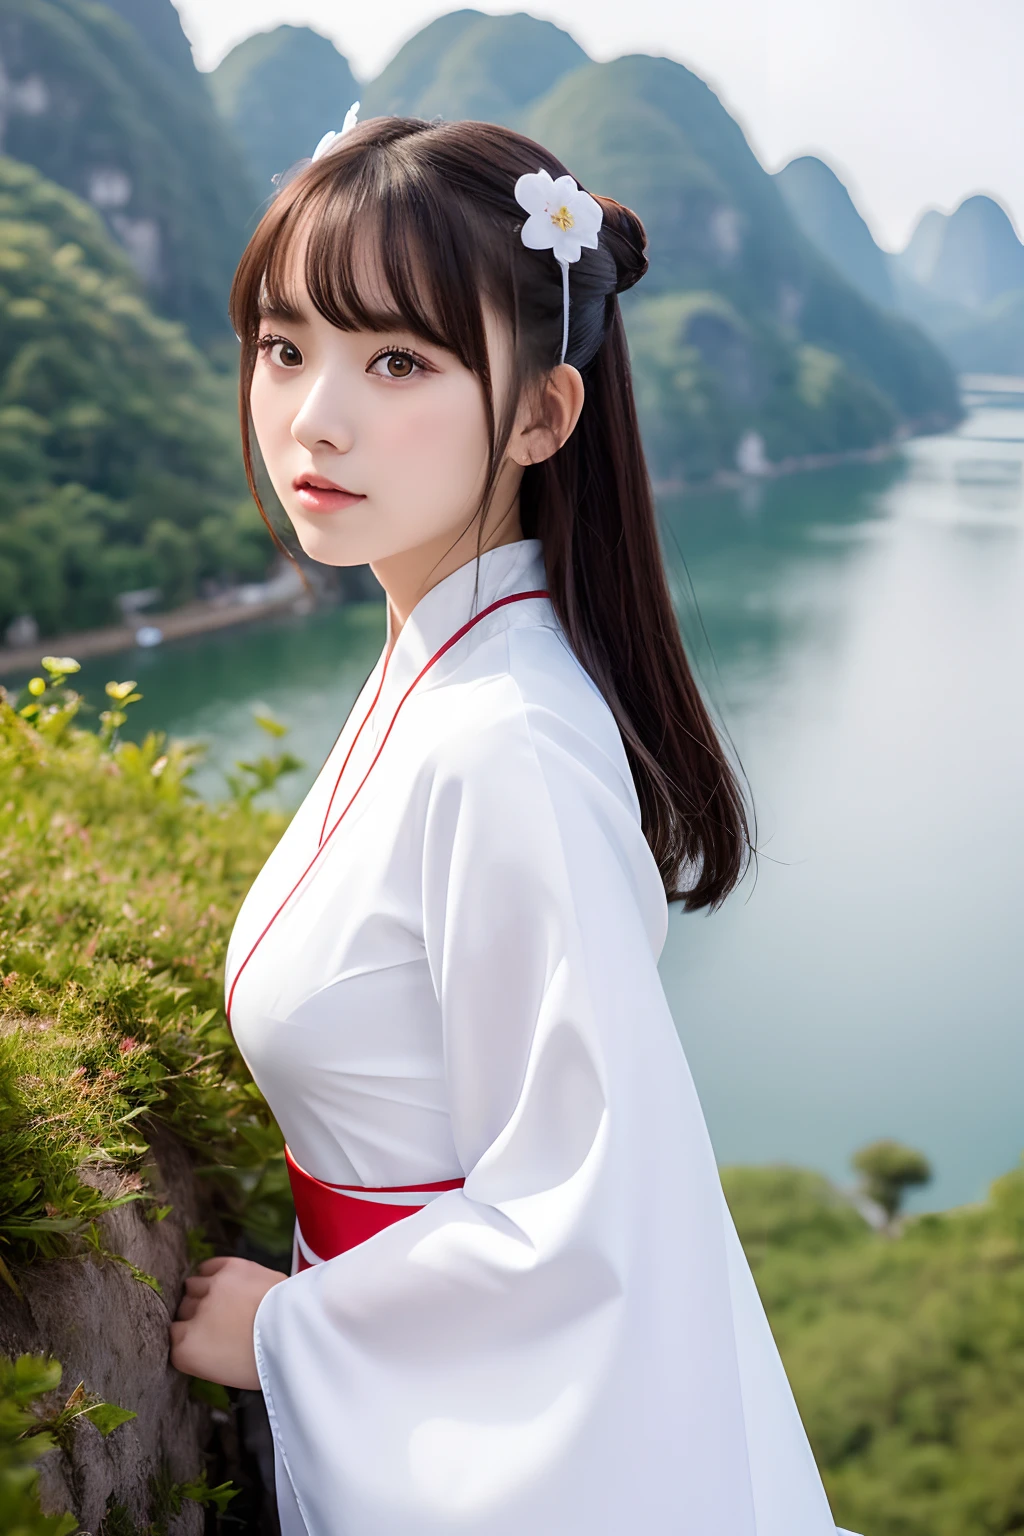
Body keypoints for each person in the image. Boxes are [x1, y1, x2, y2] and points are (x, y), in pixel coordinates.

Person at [169, 114, 858, 1536]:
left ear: (543, 414)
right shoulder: (446, 665)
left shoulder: (508, 743)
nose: (315, 416)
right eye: (286, 346)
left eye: (399, 362)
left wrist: (290, 1334)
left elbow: (581, 1225)